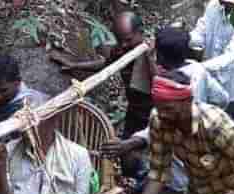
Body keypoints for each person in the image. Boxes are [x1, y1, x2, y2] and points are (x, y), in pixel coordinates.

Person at [101, 27, 230, 194]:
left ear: (159, 54)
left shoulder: (171, 86)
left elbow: (160, 125)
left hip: (177, 173)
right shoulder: (199, 72)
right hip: (199, 173)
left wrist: (130, 143)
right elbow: (223, 98)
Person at [50, 11, 157, 176]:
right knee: (128, 164)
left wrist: (149, 58)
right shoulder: (122, 50)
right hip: (135, 114)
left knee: (151, 158)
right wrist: (75, 65)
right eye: (119, 40)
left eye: (128, 40)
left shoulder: (155, 53)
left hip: (156, 115)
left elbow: (163, 85)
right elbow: (107, 64)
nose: (123, 45)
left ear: (140, 32)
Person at [189, 0, 234, 121]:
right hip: (210, 79)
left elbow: (231, 56)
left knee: (230, 124)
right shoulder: (213, 6)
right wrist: (184, 38)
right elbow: (200, 34)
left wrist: (200, 67)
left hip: (232, 85)